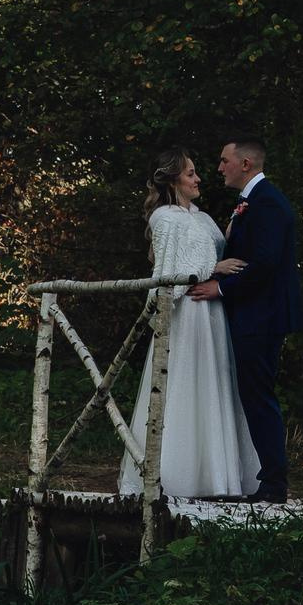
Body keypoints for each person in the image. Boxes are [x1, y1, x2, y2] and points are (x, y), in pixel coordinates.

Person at [117, 148, 259, 500]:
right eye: (191, 173)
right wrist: (214, 270)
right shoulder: (164, 218)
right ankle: (176, 475)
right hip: (187, 313)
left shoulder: (205, 218)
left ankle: (217, 476)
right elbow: (167, 275)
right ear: (173, 178)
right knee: (183, 383)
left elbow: (219, 250)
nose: (198, 179)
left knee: (214, 383)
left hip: (211, 314)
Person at [186, 136, 303, 502]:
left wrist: (220, 290)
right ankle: (268, 478)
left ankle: (273, 483)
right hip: (256, 313)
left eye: (224, 161)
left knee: (258, 395)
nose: (219, 168)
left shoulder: (266, 202)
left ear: (246, 164)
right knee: (254, 394)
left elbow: (265, 264)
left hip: (262, 315)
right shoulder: (252, 202)